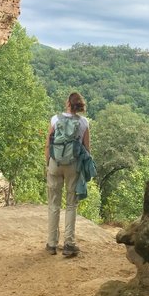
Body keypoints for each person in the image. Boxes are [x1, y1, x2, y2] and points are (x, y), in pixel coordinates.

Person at [45, 92, 90, 257]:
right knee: (71, 205)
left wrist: (48, 164)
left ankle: (51, 244)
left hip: (55, 164)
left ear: (68, 103)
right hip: (73, 166)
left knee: (53, 204)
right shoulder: (84, 122)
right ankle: (69, 244)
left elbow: (48, 144)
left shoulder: (55, 119)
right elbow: (87, 149)